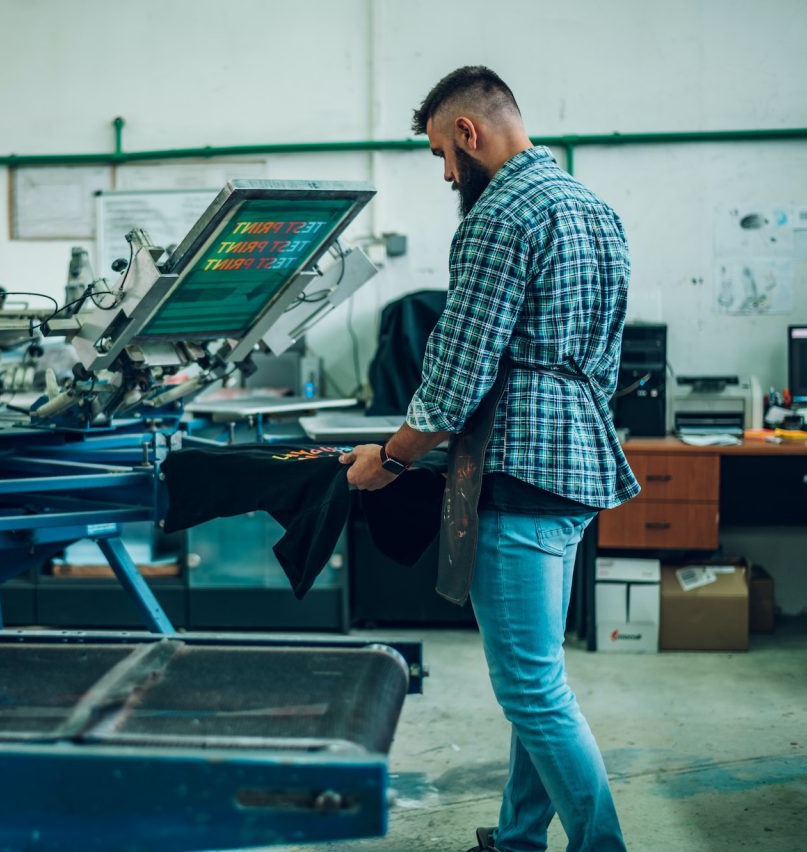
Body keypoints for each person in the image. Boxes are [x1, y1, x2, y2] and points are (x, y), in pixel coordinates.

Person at [340, 66, 638, 852]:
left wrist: (392, 458)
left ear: (470, 134)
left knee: (532, 690)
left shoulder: (498, 215)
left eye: (443, 153)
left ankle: (602, 845)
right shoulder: (595, 209)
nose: (444, 173)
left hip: (518, 470)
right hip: (576, 461)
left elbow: (458, 377)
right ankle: (517, 840)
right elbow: (605, 360)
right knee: (537, 676)